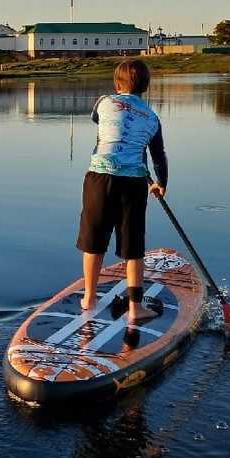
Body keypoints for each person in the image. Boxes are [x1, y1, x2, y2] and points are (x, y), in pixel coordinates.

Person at [77, 59, 168, 323]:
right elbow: (158, 156)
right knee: (133, 245)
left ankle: (89, 298)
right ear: (146, 87)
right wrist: (160, 183)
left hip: (99, 179)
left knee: (94, 240)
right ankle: (135, 308)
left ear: (117, 84)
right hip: (133, 183)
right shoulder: (152, 118)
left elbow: (97, 120)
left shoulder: (104, 102)